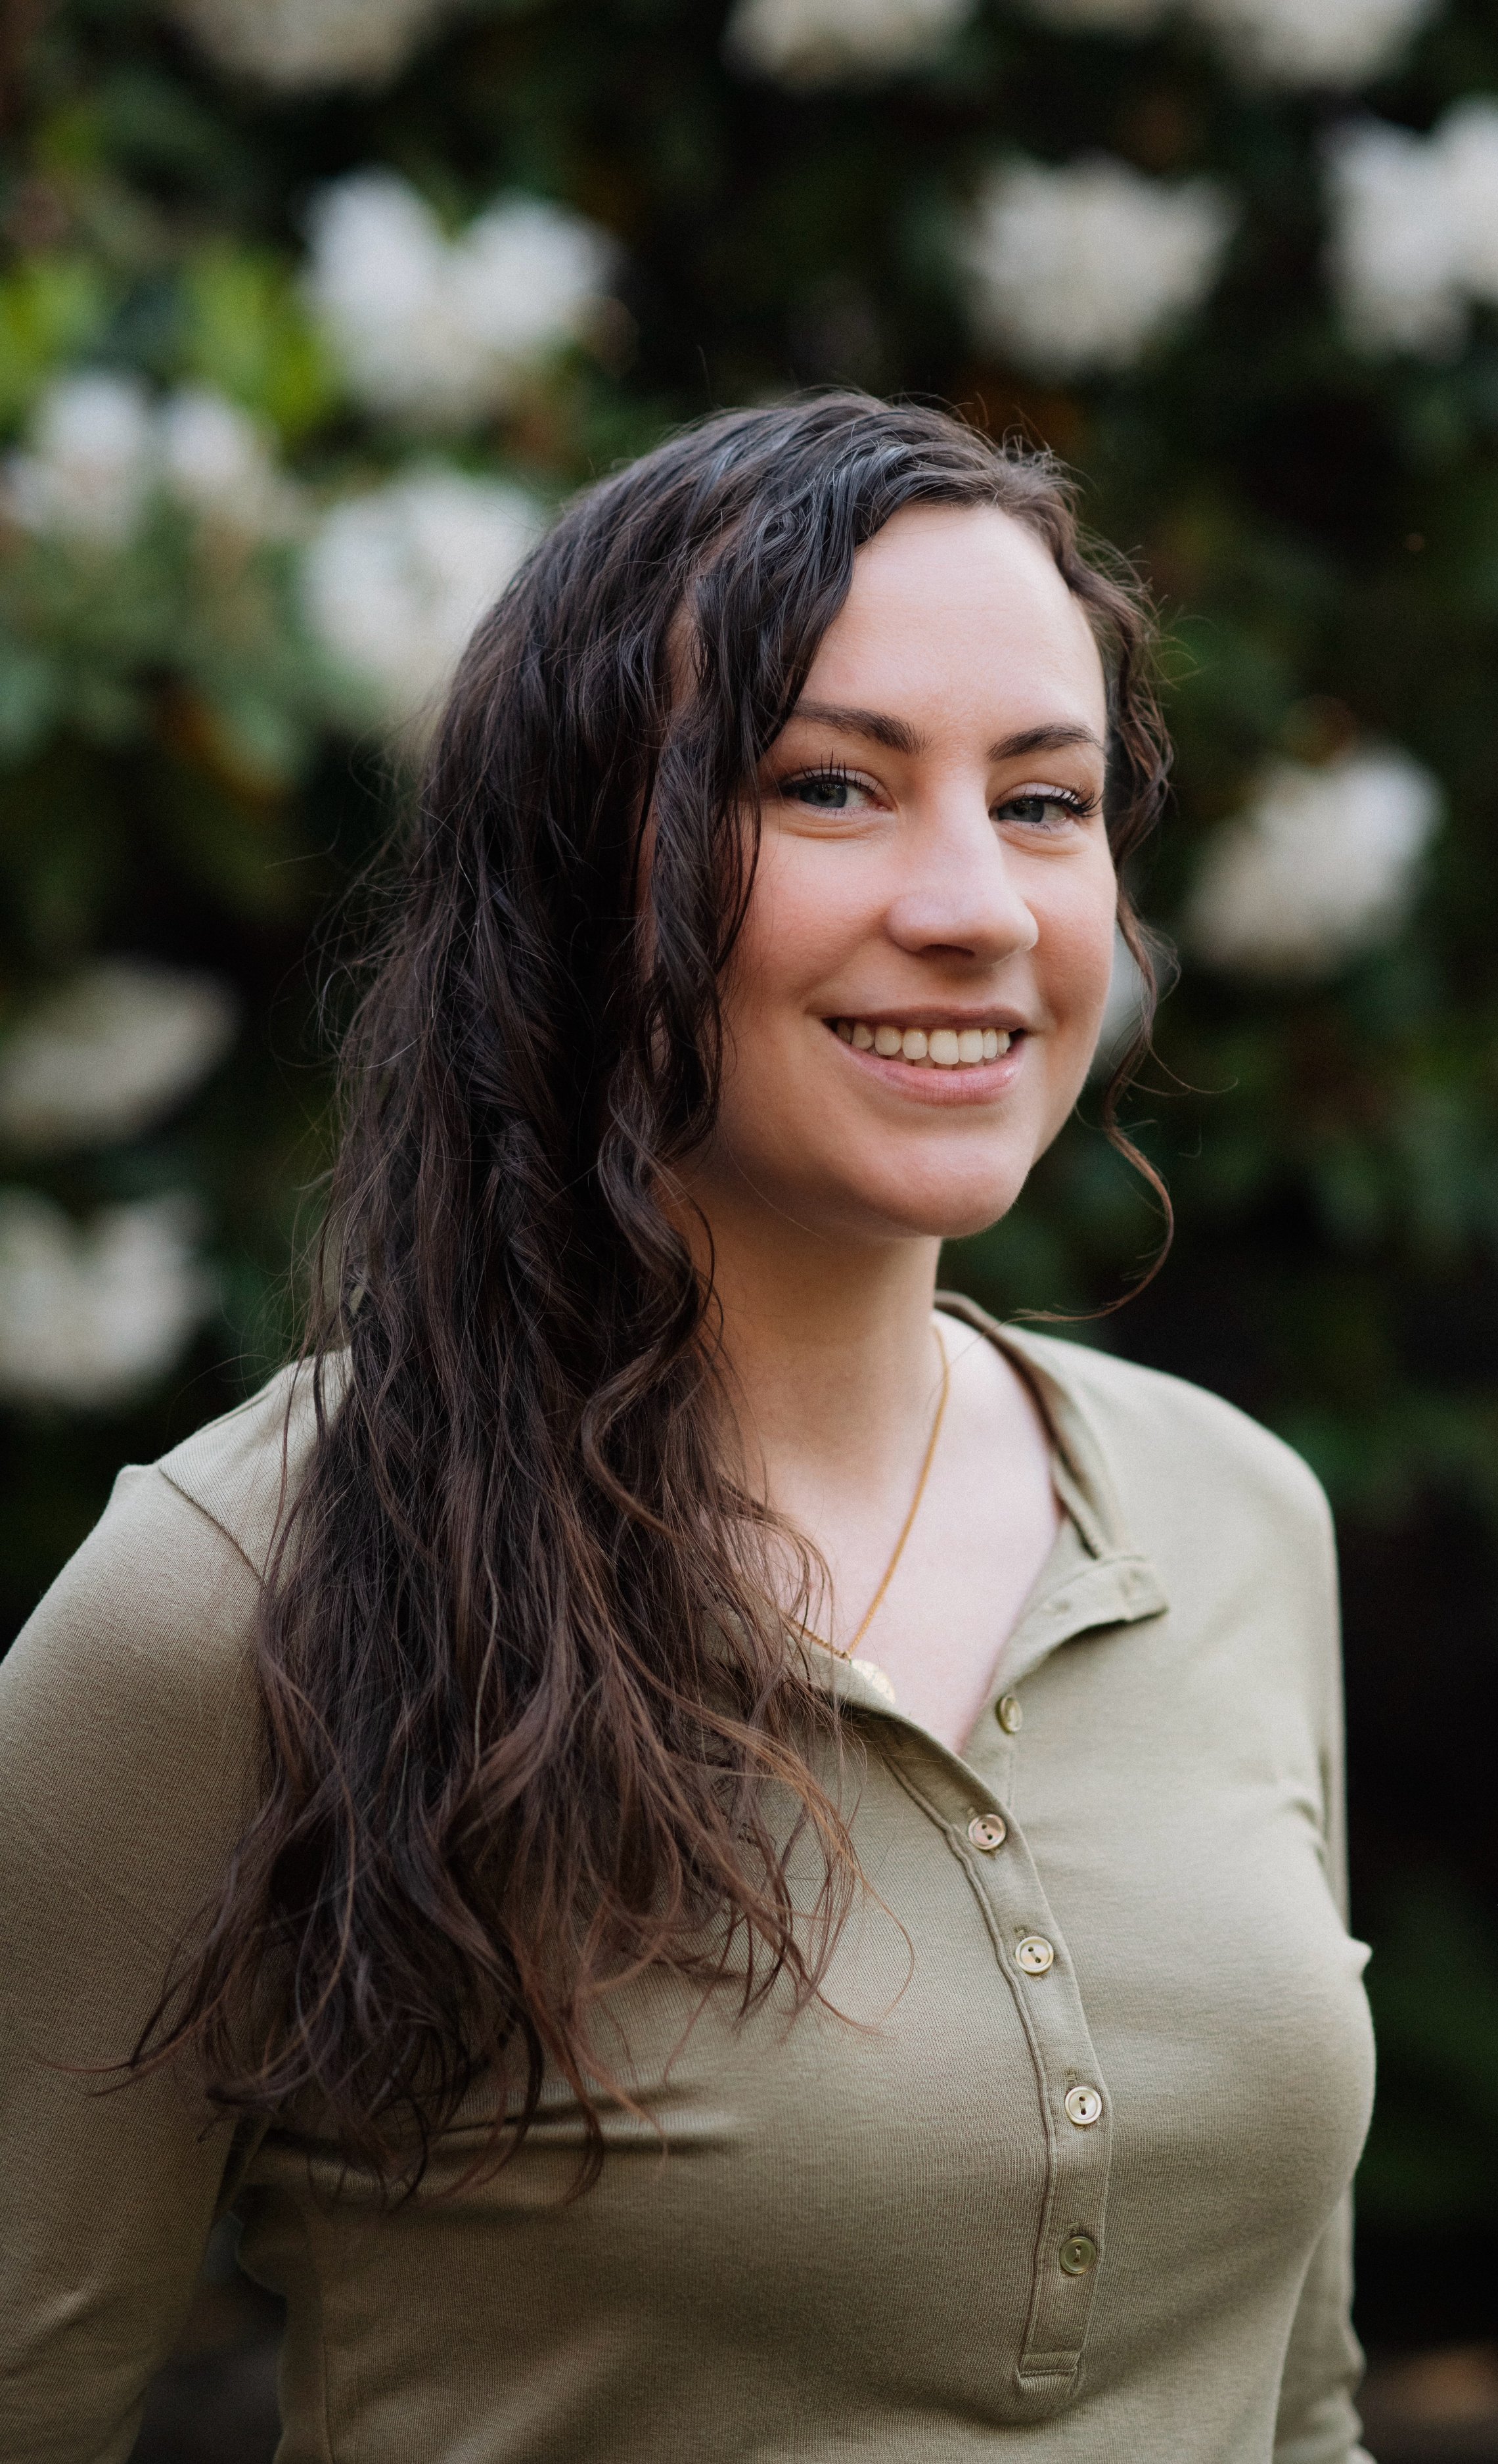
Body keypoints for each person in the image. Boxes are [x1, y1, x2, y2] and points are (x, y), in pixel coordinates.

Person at [0, 395, 1374, 2464]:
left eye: (1042, 801)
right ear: (577, 861)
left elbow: (1302, 2412)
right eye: (829, 786)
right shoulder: (244, 1586)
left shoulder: (1229, 1514)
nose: (976, 909)